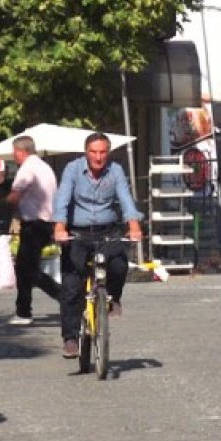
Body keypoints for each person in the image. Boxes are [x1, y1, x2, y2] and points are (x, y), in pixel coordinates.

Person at [53, 133, 143, 358]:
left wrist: (133, 226)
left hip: (107, 231)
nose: (98, 157)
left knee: (119, 265)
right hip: (77, 233)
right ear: (86, 152)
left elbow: (125, 198)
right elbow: (62, 198)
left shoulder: (116, 171)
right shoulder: (73, 169)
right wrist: (59, 227)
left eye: (103, 152)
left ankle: (112, 298)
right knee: (72, 285)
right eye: (94, 152)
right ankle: (71, 338)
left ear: (108, 153)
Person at [5, 135, 61, 326]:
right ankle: (23, 310)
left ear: (20, 151)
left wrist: (3, 205)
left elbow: (14, 196)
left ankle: (63, 296)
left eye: (14, 153)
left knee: (27, 269)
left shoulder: (27, 169)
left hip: (34, 224)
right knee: (25, 269)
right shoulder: (45, 167)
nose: (14, 157)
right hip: (46, 223)